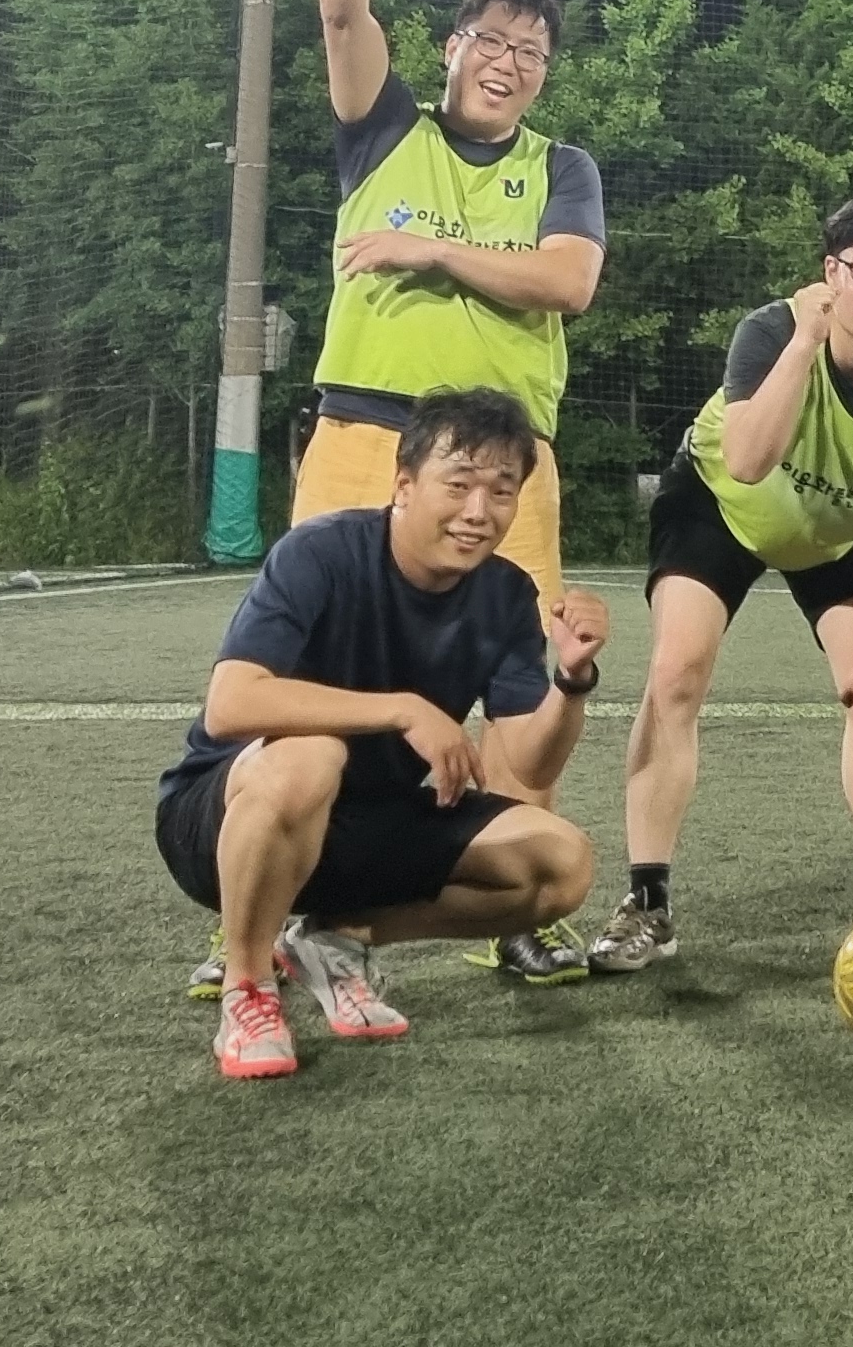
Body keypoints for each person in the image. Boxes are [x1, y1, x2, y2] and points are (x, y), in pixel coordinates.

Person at [304, 0, 610, 981]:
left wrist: (428, 251)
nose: (510, 61)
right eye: (492, 39)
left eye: (532, 51)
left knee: (523, 686)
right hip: (364, 438)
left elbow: (567, 282)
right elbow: (343, 11)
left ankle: (510, 913)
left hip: (506, 461)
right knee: (319, 679)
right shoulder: (386, 133)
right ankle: (272, 907)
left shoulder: (561, 168)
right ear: (449, 47)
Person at [155, 390, 607, 1080]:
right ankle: (248, 986)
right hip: (224, 818)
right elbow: (231, 704)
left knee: (560, 862)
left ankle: (335, 939)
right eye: (458, 485)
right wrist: (403, 710)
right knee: (311, 756)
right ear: (403, 485)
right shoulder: (319, 552)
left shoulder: (507, 594)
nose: (479, 511)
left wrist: (572, 680)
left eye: (501, 491)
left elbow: (531, 762)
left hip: (367, 820)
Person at [587, 194, 853, 974]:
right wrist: (805, 340)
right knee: (676, 671)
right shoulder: (769, 331)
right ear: (831, 272)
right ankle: (648, 903)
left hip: (836, 533)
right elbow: (750, 460)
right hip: (719, 507)